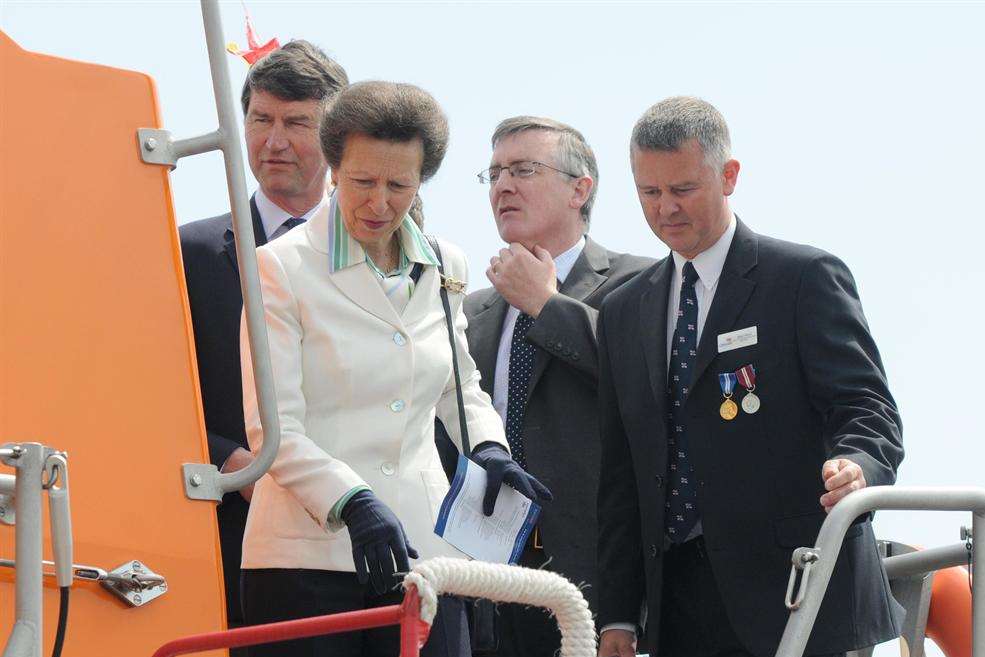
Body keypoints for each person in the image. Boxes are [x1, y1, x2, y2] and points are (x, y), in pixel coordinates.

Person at [238, 80, 551, 657]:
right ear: (334, 170)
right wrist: (352, 500)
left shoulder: (444, 264)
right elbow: (272, 429)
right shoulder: (278, 267)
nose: (379, 203)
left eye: (399, 185)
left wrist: (490, 449)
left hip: (425, 560)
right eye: (363, 182)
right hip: (307, 561)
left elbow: (462, 386)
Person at [596, 97, 904, 657]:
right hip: (679, 607)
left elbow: (866, 406)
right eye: (649, 192)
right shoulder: (622, 313)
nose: (666, 208)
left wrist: (856, 467)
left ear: (729, 176)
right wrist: (617, 611)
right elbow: (622, 476)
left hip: (795, 594)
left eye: (683, 189)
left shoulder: (803, 279)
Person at [443, 116, 651, 656]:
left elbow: (642, 378)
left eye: (523, 170)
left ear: (580, 189)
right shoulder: (470, 309)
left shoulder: (637, 281)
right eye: (493, 174)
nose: (503, 186)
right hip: (478, 568)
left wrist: (546, 305)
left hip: (586, 572)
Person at [178, 40, 347, 634]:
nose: (273, 141)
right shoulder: (187, 252)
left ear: (337, 135)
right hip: (227, 540)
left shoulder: (383, 257)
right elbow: (158, 389)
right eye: (260, 120)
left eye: (297, 122)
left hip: (354, 545)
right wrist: (238, 461)